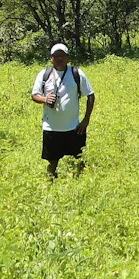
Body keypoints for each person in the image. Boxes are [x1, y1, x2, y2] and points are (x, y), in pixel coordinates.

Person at [31, 43, 95, 179]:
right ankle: (51, 186)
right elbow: (34, 95)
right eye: (56, 56)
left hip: (74, 128)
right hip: (51, 128)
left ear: (68, 58)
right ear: (51, 59)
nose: (59, 58)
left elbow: (90, 95)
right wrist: (45, 99)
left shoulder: (76, 73)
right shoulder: (44, 75)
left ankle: (80, 185)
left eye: (62, 56)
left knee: (79, 161)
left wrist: (86, 119)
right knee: (52, 163)